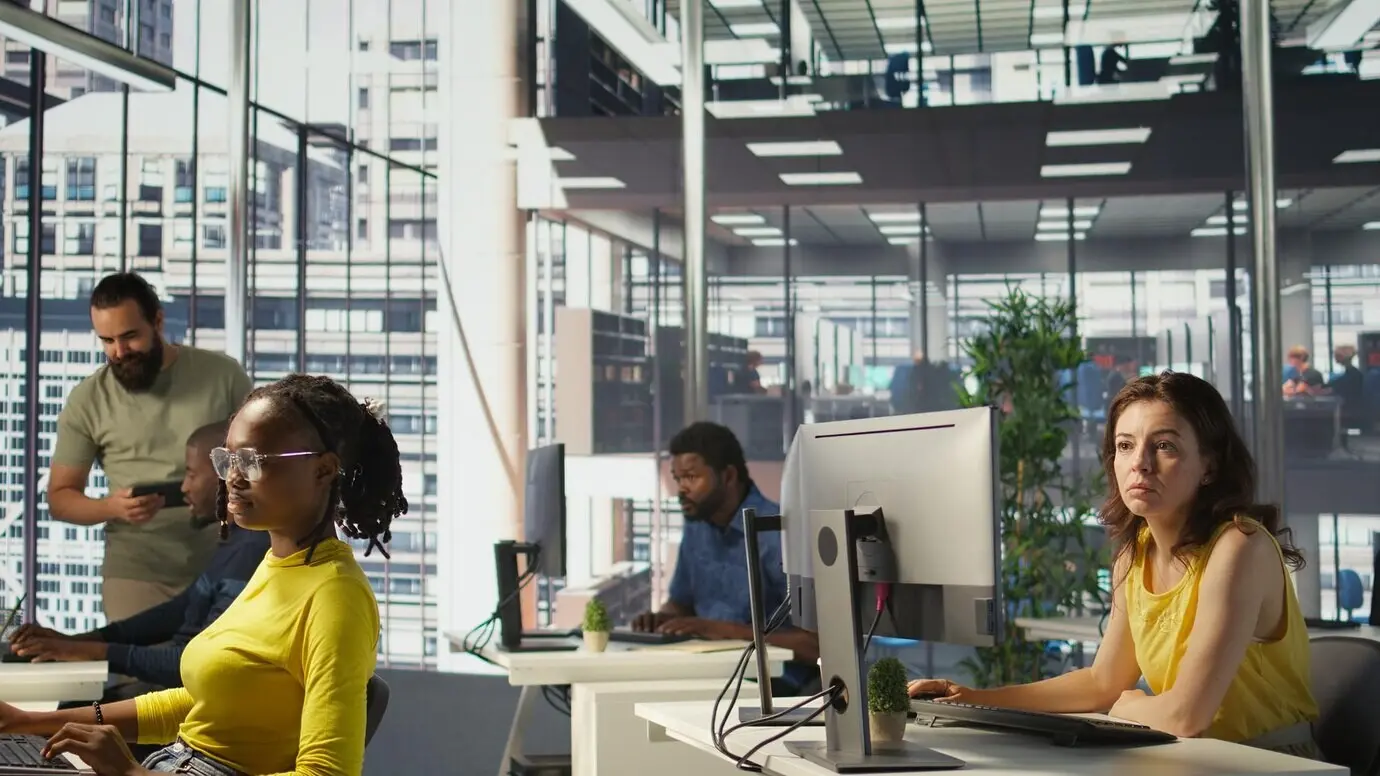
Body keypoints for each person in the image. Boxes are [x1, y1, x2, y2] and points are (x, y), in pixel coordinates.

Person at [0, 374, 405, 776]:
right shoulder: (278, 565)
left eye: (253, 461)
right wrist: (28, 722)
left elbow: (326, 774)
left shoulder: (336, 597)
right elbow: (206, 704)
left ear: (323, 470)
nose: (233, 477)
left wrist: (130, 773)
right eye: (228, 459)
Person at [909, 372, 1320, 756]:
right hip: (1193, 757)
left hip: (1268, 760)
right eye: (1125, 445)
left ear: (1209, 465)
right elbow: (1102, 682)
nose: (1140, 462)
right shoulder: (1134, 553)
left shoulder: (1239, 547)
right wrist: (971, 698)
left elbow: (1185, 716)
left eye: (1165, 445)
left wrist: (1128, 705)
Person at [9, 421, 270, 700]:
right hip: (179, 693)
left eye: (191, 474)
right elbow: (182, 610)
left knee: (65, 710)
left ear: (226, 473)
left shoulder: (249, 551)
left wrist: (91, 651)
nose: (184, 487)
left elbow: (196, 664)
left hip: (188, 701)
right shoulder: (237, 540)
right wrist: (81, 641)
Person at [49, 272, 252, 621]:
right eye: (107, 341)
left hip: (224, 561)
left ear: (157, 321)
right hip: (136, 573)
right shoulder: (87, 400)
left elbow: (258, 461)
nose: (119, 352)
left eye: (130, 336)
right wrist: (112, 507)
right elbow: (60, 498)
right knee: (133, 657)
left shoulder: (223, 375)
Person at [632, 422, 819, 695]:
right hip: (709, 672)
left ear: (728, 476)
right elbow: (681, 603)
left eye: (691, 477)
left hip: (776, 683)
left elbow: (816, 646)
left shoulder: (778, 533)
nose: (681, 489)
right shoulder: (697, 527)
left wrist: (723, 630)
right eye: (678, 479)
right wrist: (662, 620)